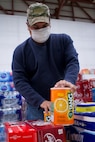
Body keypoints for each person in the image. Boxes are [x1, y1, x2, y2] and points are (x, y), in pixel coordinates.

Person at [12, 2, 80, 121]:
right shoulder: (20, 51)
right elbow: (20, 81)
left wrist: (69, 81)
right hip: (37, 109)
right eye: (36, 27)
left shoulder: (64, 41)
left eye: (44, 26)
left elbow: (72, 62)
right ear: (28, 26)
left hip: (63, 103)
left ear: (50, 22)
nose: (41, 30)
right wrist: (41, 101)